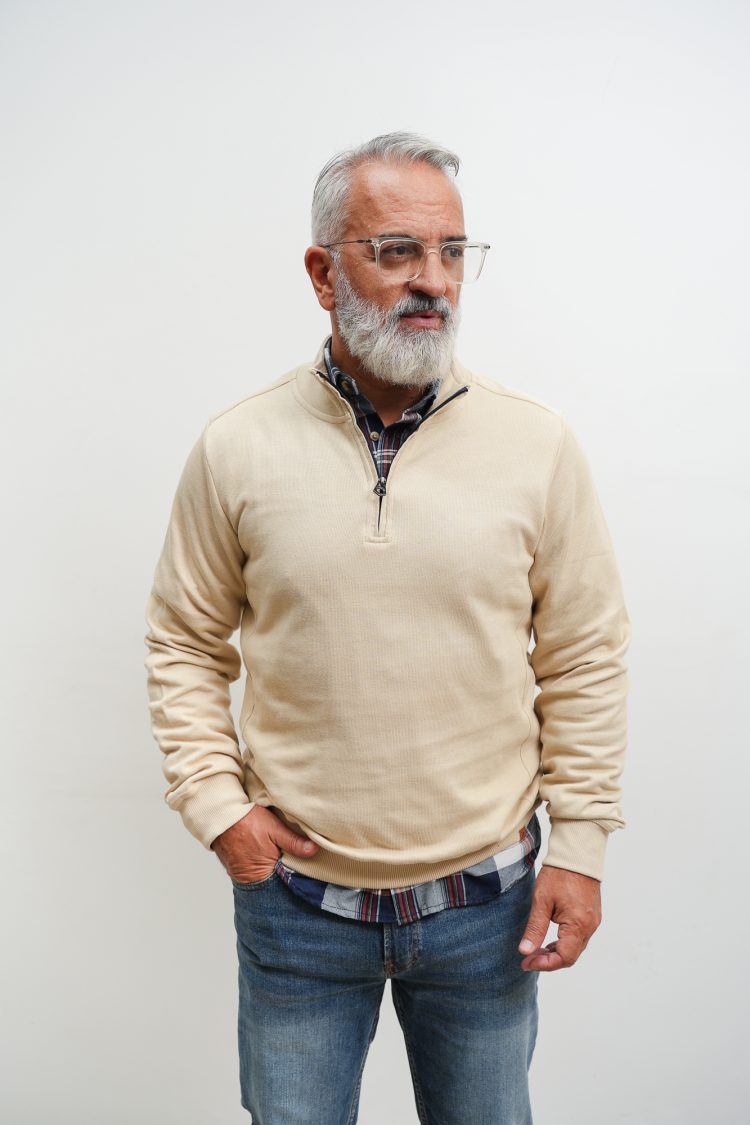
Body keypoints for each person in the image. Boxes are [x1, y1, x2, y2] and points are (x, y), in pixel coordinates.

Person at [144, 130, 630, 1125]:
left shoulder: (535, 444)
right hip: (299, 910)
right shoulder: (237, 446)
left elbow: (584, 655)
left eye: (452, 251)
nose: (433, 281)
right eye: (397, 250)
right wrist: (218, 809)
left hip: (489, 907)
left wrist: (579, 846)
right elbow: (184, 641)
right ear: (324, 273)